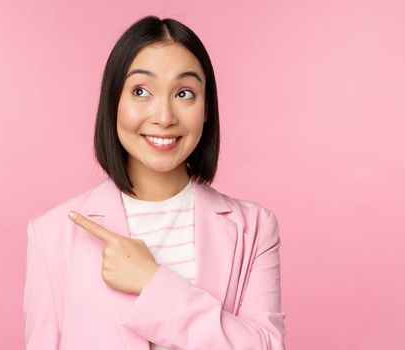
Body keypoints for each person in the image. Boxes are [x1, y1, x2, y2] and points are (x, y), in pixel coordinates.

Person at [23, 15, 286, 350]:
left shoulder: (255, 228)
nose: (164, 117)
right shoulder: (52, 234)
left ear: (207, 108)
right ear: (113, 102)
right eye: (141, 91)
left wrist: (153, 283)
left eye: (185, 93)